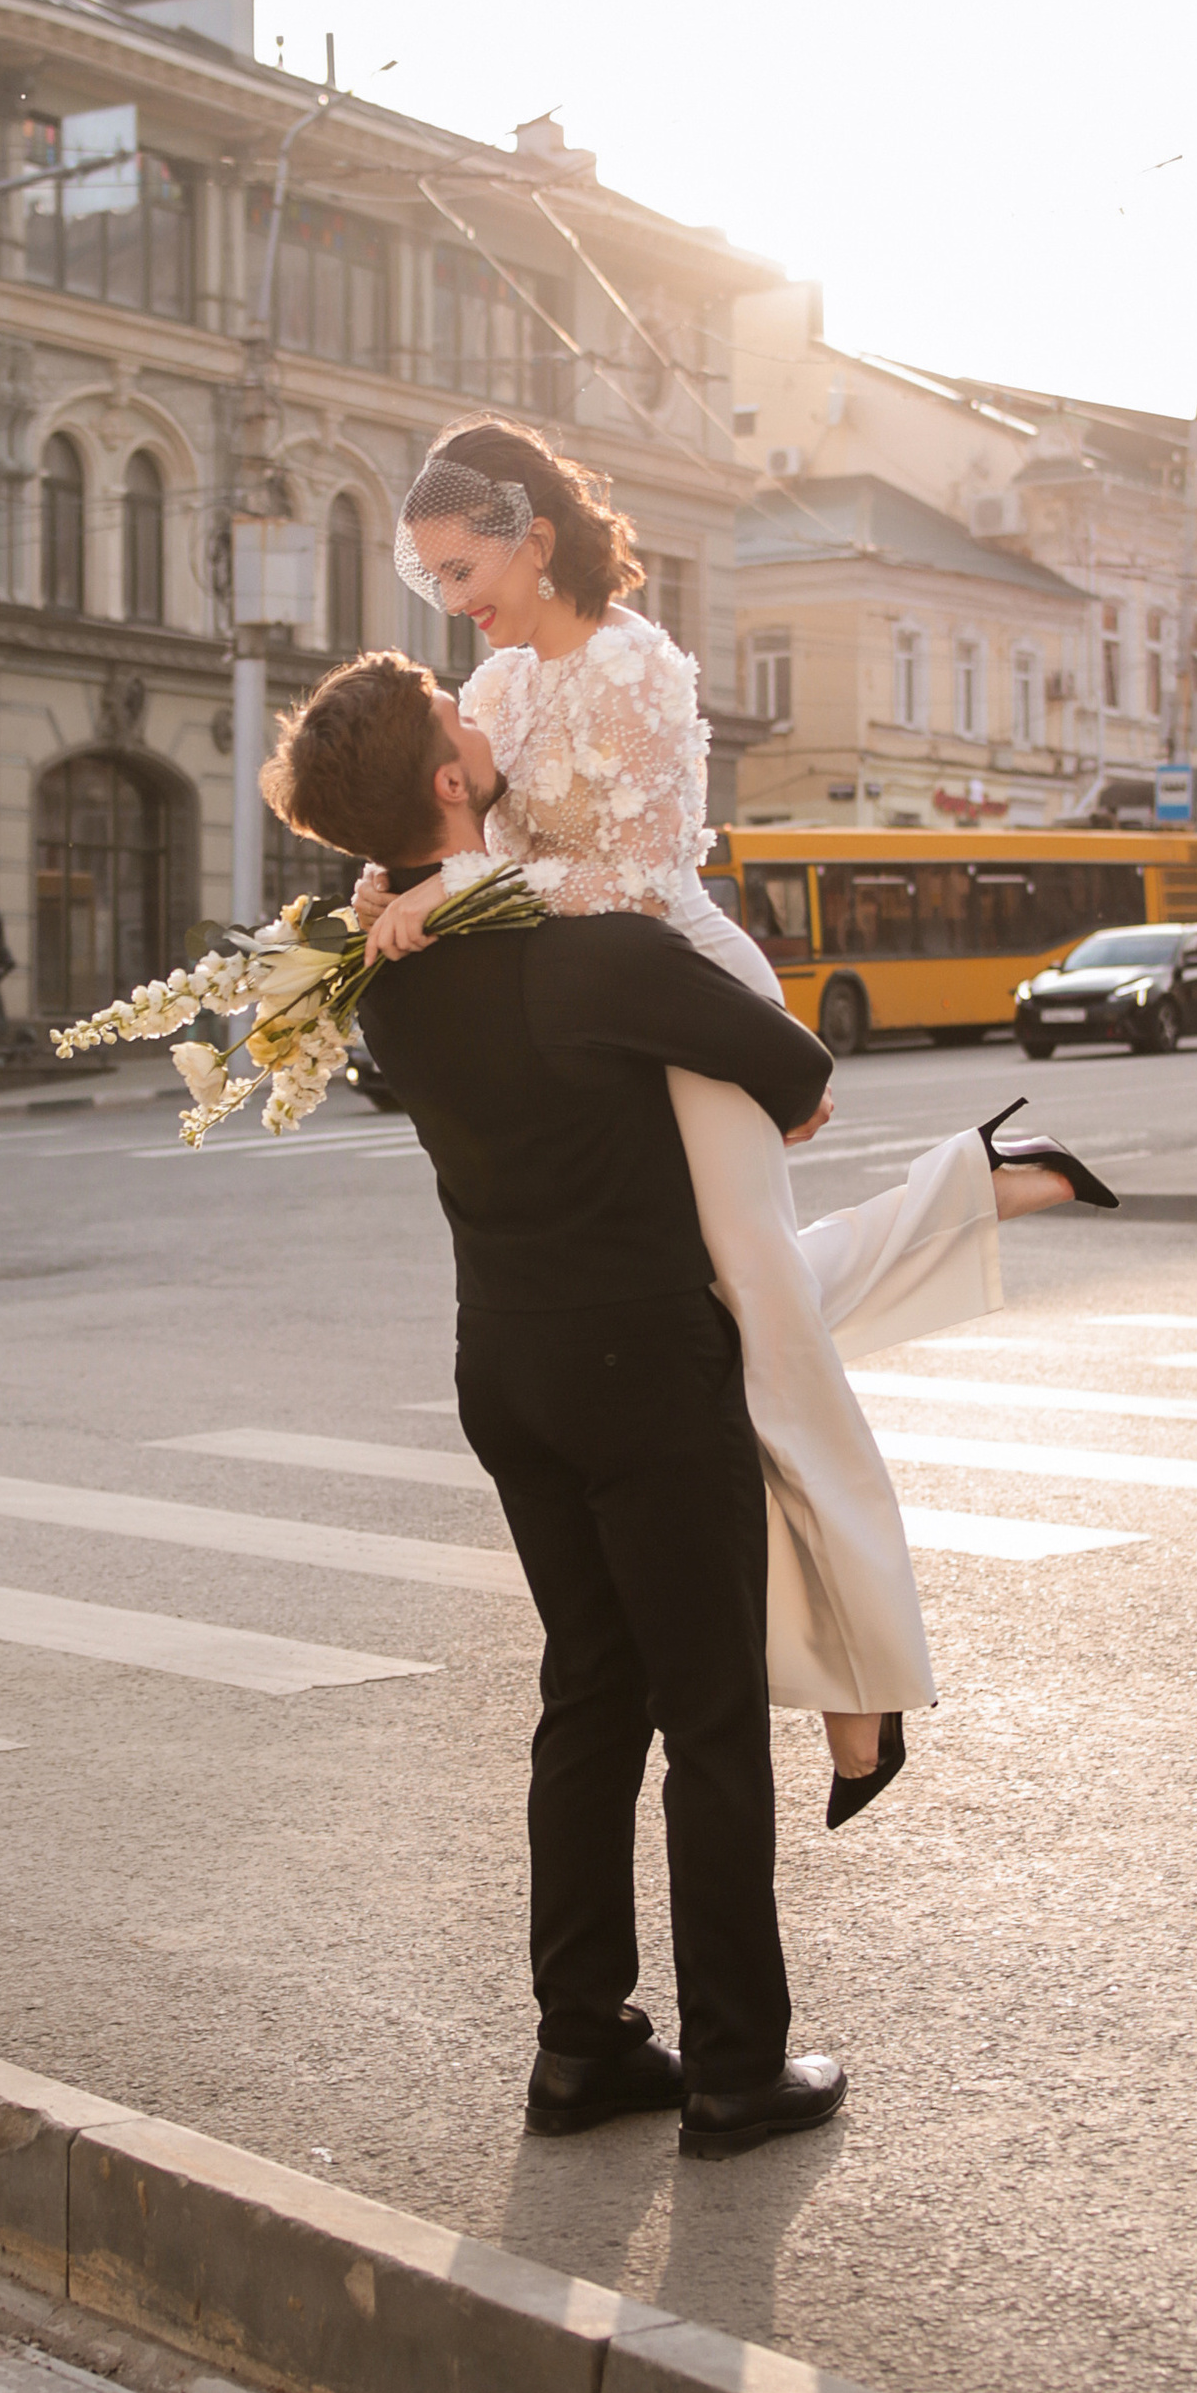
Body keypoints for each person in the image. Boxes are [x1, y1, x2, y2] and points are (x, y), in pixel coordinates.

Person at [360, 419, 1106, 1827]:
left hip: (687, 998)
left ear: (532, 533)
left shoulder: (639, 663)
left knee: (761, 1314)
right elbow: (471, 842)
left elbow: (622, 888)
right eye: (437, 579)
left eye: (467, 567)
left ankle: (862, 1678)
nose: (456, 600)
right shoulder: (500, 677)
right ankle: (973, 1188)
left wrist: (451, 900)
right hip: (593, 1018)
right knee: (722, 1314)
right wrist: (382, 897)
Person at [266, 648, 850, 2160]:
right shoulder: (590, 956)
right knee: (711, 1714)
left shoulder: (386, 978)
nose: (487, 712)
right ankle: (736, 2067)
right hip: (643, 1366)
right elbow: (798, 1071)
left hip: (505, 1365)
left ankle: (582, 2046)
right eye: (462, 715)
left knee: (591, 1693)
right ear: (452, 781)